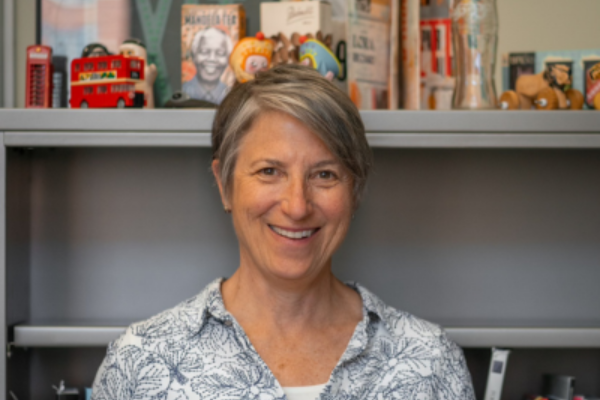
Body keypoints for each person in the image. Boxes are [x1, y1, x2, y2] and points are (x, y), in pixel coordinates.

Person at [91, 65, 475, 400]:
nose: (297, 206)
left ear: (354, 191)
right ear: (224, 185)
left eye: (324, 174)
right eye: (269, 172)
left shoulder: (431, 363)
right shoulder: (140, 363)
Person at [182, 27, 233, 104]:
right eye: (204, 51)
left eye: (220, 53)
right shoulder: (183, 91)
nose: (212, 59)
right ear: (194, 56)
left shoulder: (232, 96)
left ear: (228, 60)